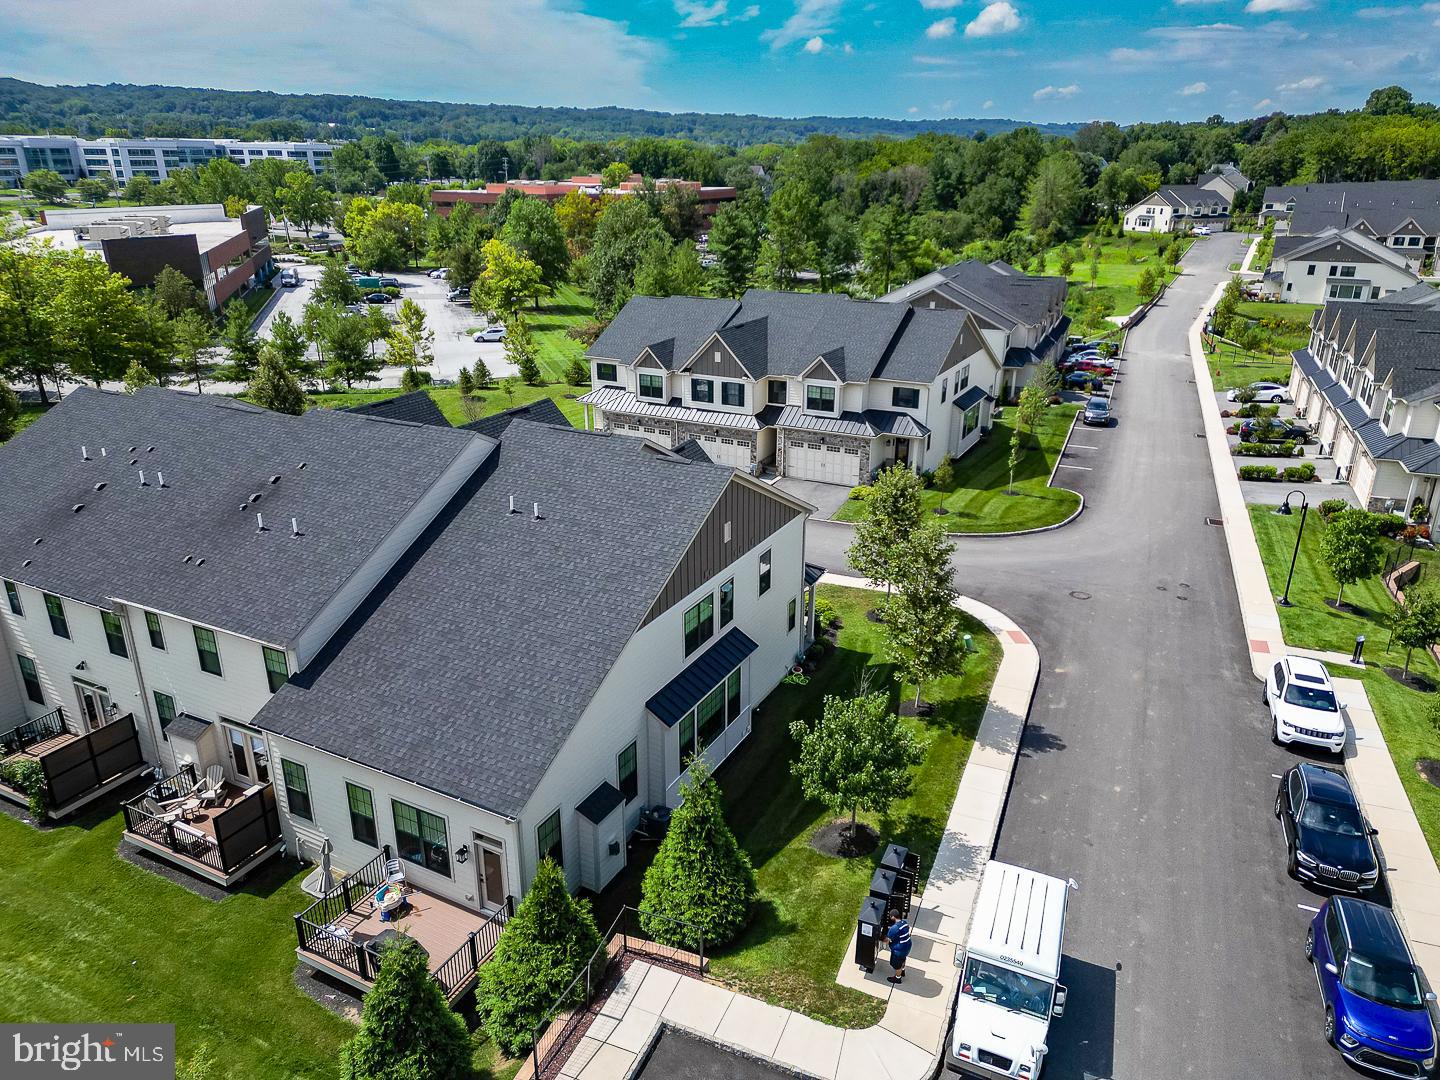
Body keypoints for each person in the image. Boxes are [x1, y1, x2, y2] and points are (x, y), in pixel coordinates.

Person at [884, 909, 911, 984]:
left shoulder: (895, 928)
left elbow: (887, 940)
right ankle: (902, 971)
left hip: (899, 949)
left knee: (896, 964)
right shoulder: (904, 923)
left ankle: (897, 978)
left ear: (893, 917)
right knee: (902, 958)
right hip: (907, 945)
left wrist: (880, 938)